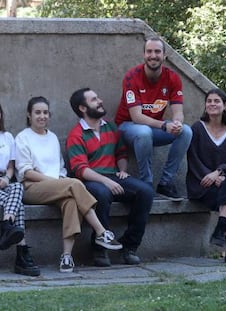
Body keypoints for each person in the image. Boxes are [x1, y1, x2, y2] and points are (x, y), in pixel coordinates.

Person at [15, 96, 122, 273]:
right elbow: (26, 172)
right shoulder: (23, 137)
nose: (42, 116)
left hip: (57, 187)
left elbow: (60, 167)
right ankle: (101, 232)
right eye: (37, 112)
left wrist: (60, 181)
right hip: (32, 187)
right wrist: (58, 182)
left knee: (71, 201)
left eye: (45, 112)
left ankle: (66, 257)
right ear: (29, 115)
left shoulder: (53, 138)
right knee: (74, 184)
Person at [67, 88, 153, 267]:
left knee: (145, 191)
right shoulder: (76, 135)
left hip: (114, 176)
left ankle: (129, 246)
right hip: (89, 181)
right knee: (102, 194)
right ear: (83, 108)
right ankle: (99, 250)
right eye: (94, 100)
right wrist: (106, 181)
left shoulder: (111, 128)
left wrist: (122, 170)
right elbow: (80, 169)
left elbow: (121, 153)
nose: (100, 101)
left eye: (98, 97)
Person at [115, 36, 192, 201]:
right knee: (143, 132)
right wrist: (164, 125)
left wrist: (177, 122)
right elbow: (136, 117)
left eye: (157, 51)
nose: (153, 55)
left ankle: (165, 183)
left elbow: (178, 110)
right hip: (127, 127)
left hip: (153, 128)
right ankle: (146, 184)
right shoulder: (132, 76)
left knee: (186, 131)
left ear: (164, 55)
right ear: (144, 55)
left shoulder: (172, 78)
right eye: (149, 51)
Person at [186, 88, 226, 265]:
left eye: (216, 101)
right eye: (209, 101)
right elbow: (193, 159)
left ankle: (221, 229)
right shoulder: (196, 128)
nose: (212, 104)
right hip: (200, 184)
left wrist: (218, 173)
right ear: (205, 106)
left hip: (223, 181)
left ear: (225, 105)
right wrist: (210, 176)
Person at [0, 104, 40, 276]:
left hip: (4, 181)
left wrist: (7, 178)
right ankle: (22, 253)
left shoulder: (7, 136)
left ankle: (7, 226)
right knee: (19, 206)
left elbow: (10, 166)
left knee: (17, 186)